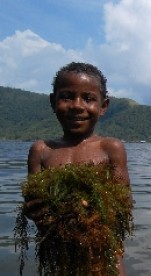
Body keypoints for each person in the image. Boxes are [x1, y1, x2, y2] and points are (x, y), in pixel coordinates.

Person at [24, 62, 131, 275]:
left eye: (89, 99)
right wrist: (35, 210)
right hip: (60, 262)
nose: (77, 105)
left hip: (105, 260)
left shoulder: (110, 148)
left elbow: (123, 207)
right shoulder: (41, 150)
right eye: (66, 97)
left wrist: (89, 212)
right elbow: (32, 204)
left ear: (103, 106)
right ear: (53, 102)